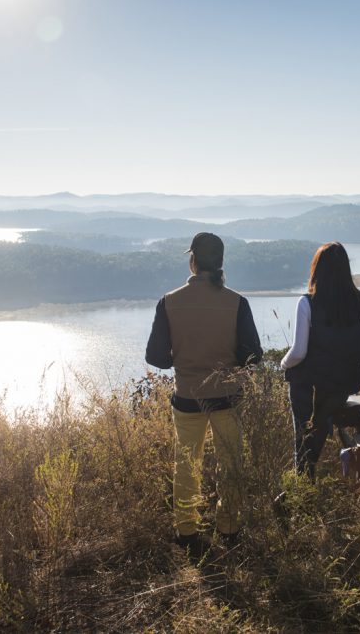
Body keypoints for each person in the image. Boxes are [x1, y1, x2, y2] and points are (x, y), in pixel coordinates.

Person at [145, 232, 263, 552]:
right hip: (227, 397)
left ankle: (187, 532)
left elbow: (155, 357)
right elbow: (254, 354)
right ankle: (229, 528)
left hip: (187, 397)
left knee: (187, 464)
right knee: (231, 462)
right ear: (221, 262)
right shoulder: (237, 302)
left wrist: (183, 359)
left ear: (192, 260)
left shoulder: (169, 301)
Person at [280, 242, 360, 478]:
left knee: (304, 440)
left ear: (317, 270)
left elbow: (298, 353)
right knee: (320, 419)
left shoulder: (307, 303)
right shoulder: (359, 299)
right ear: (345, 270)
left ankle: (303, 480)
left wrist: (282, 365)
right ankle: (314, 461)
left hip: (314, 385)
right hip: (346, 382)